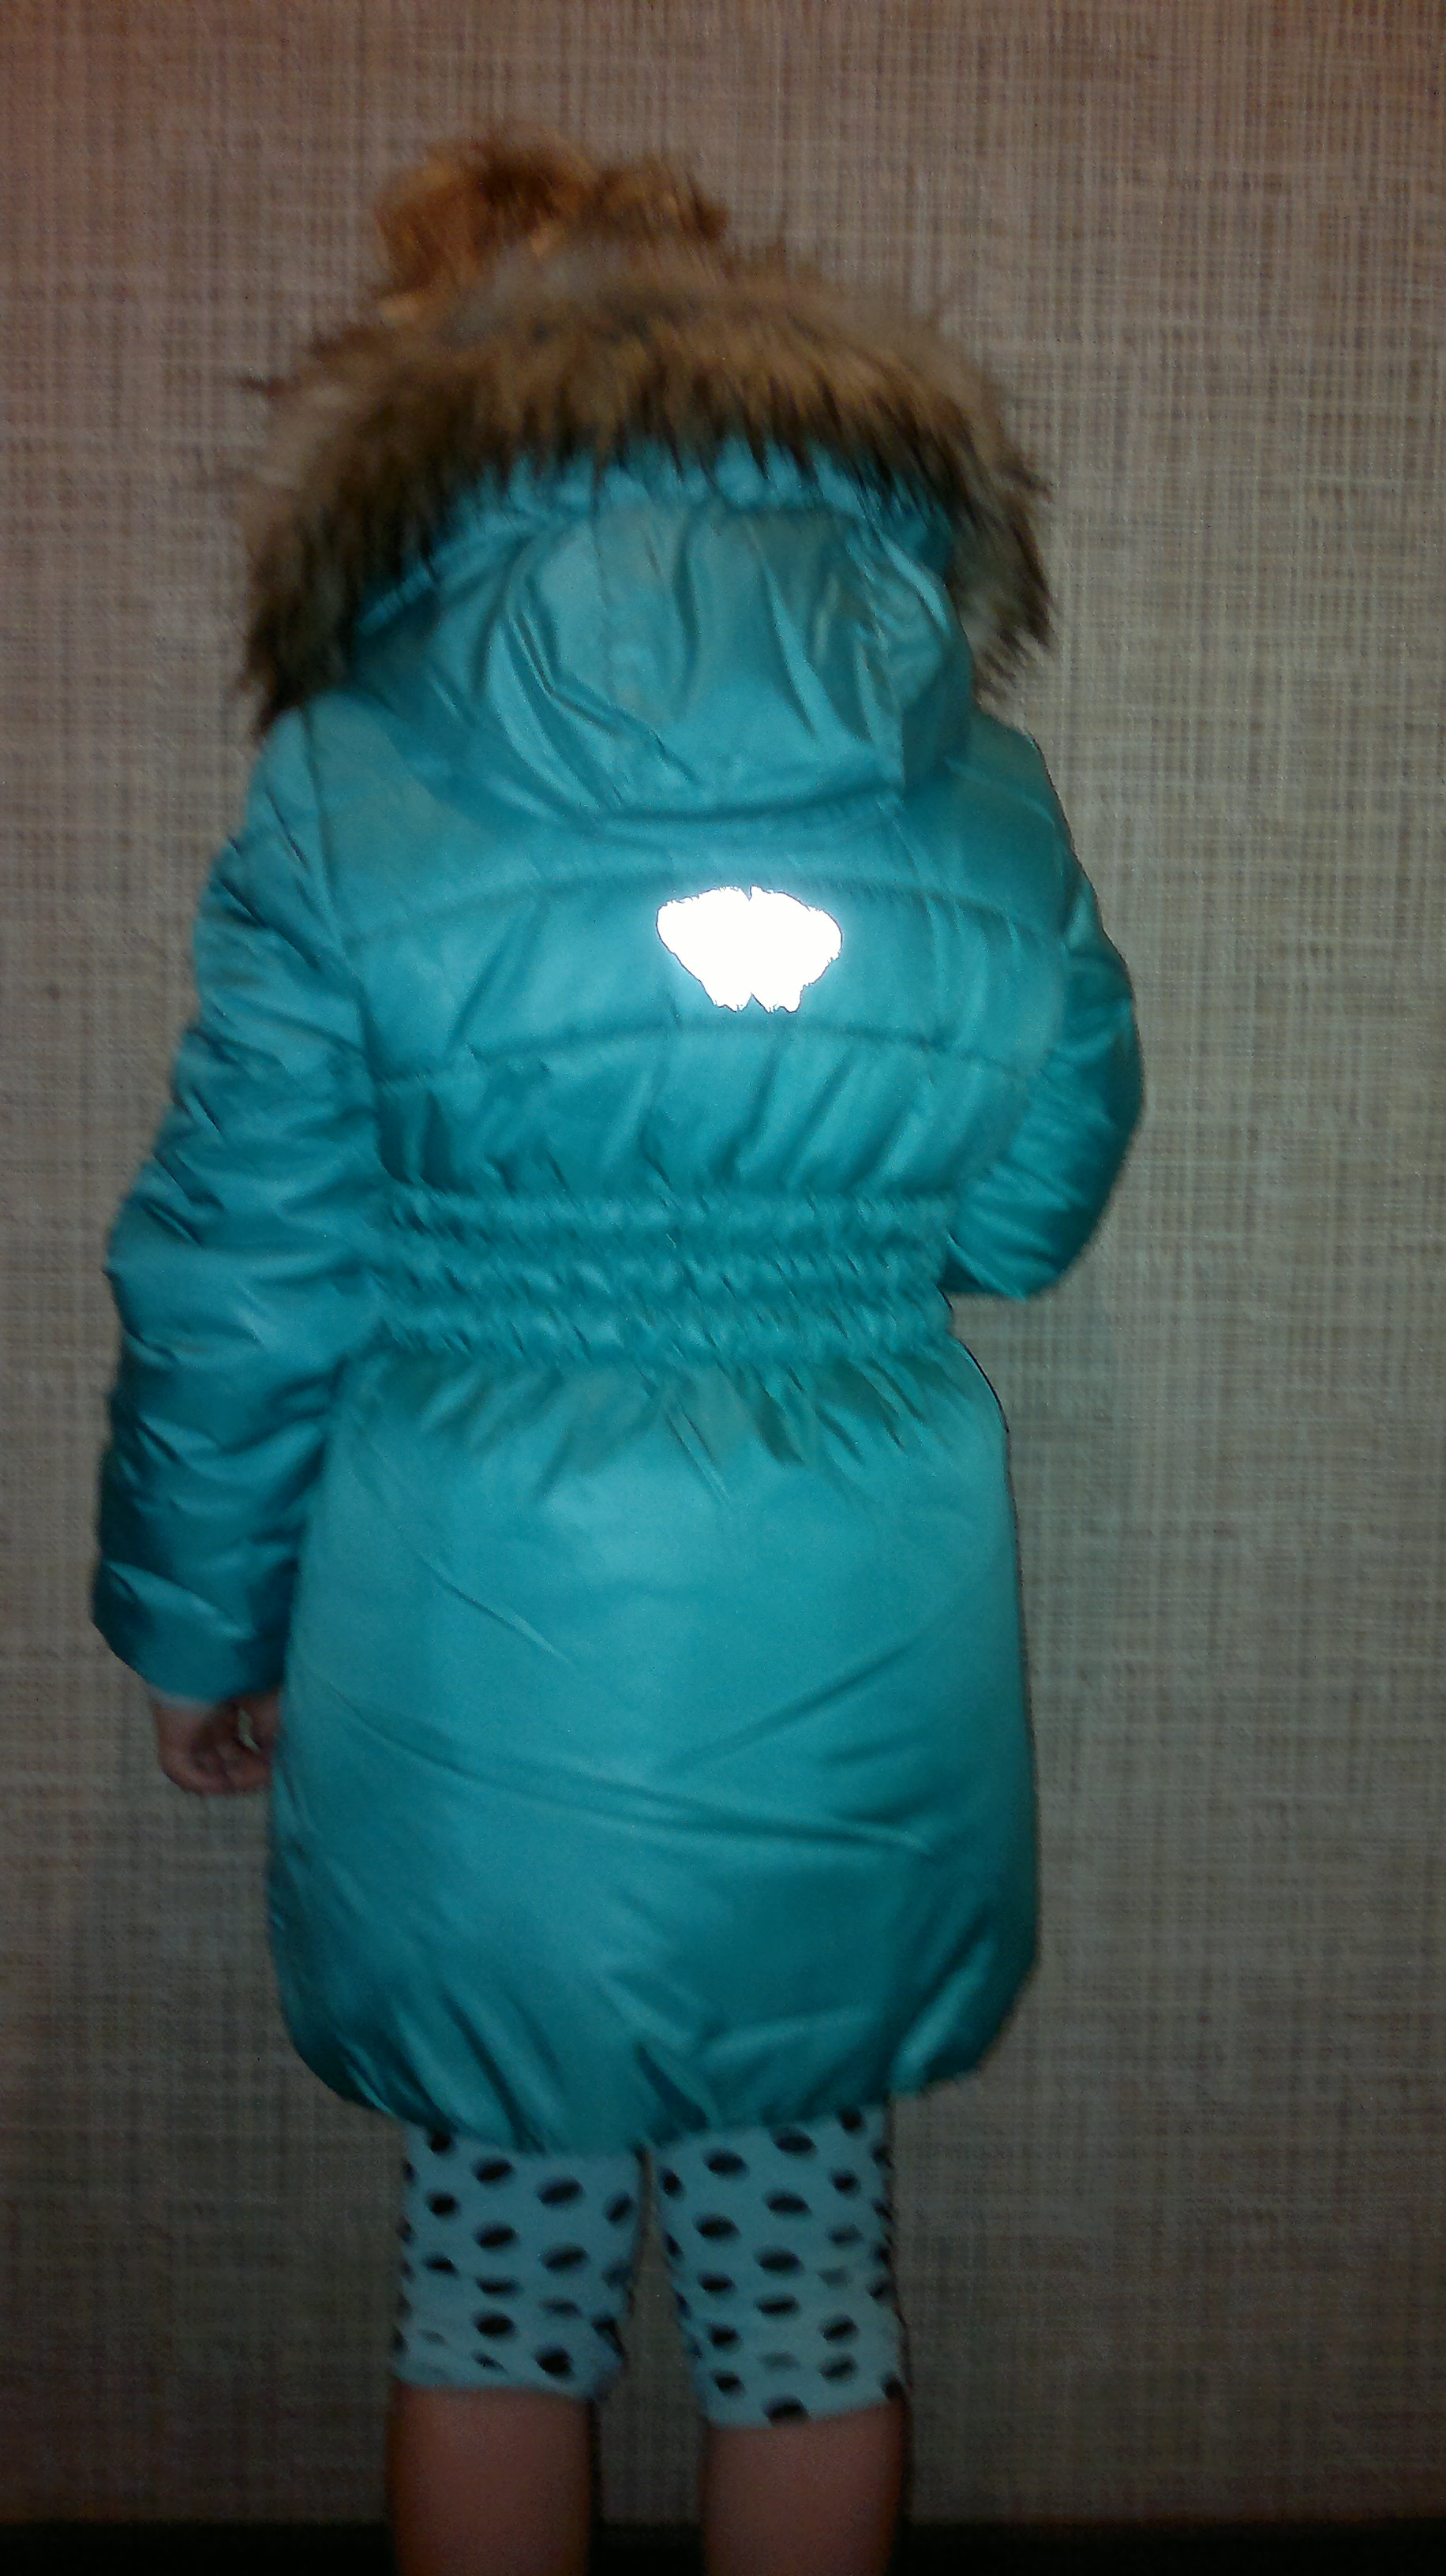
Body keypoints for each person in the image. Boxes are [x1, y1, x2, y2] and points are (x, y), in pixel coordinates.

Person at [93, 132, 1142, 2576]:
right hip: (842, 1619)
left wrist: (202, 1630)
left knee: (497, 2280)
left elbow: (245, 1262)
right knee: (808, 2287)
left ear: (425, 427)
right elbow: (1033, 1202)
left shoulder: (350, 785)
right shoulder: (984, 797)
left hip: (486, 1629)